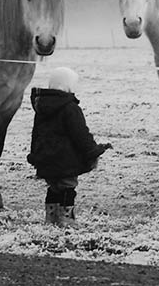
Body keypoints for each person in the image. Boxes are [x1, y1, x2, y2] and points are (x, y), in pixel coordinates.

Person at [27, 67, 110, 226]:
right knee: (67, 188)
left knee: (54, 188)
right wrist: (93, 151)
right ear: (68, 85)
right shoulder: (70, 108)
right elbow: (80, 133)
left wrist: (35, 155)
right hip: (66, 160)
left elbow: (36, 134)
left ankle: (51, 218)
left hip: (46, 159)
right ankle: (66, 219)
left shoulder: (41, 107)